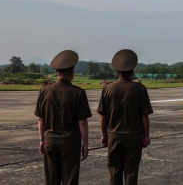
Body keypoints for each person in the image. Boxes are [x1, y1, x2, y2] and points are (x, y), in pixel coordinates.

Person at [34, 50, 92, 185]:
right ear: (72, 72)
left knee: (51, 180)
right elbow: (82, 122)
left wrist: (42, 139)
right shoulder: (78, 93)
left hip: (50, 141)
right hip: (70, 143)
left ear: (56, 72)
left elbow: (40, 119)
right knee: (69, 180)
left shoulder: (44, 90)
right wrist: (85, 145)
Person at [97, 49, 153, 185]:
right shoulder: (140, 89)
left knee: (114, 171)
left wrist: (104, 134)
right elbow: (144, 116)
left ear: (118, 71)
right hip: (133, 137)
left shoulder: (107, 88)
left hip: (114, 136)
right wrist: (146, 135)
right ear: (132, 70)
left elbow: (103, 117)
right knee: (131, 173)